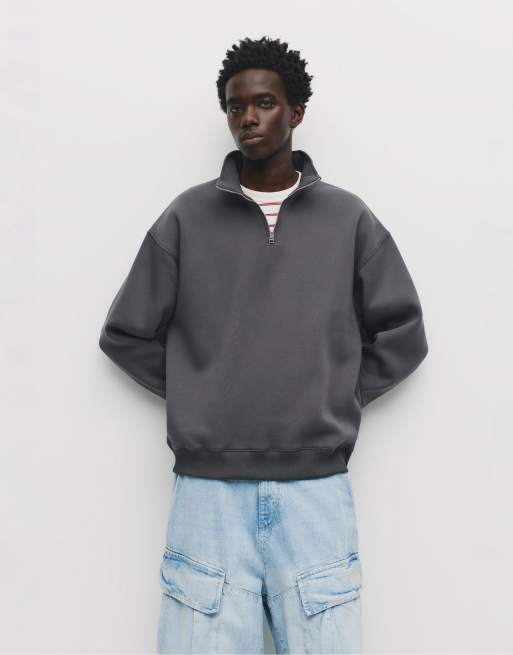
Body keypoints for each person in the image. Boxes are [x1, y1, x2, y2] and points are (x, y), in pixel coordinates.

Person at [99, 35, 428, 654]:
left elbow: (404, 332)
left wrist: (334, 391)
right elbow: (124, 332)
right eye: (235, 106)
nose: (247, 118)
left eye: (264, 103)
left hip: (316, 492)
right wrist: (202, 388)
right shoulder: (187, 217)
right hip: (208, 497)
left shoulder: (348, 218)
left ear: (296, 111)